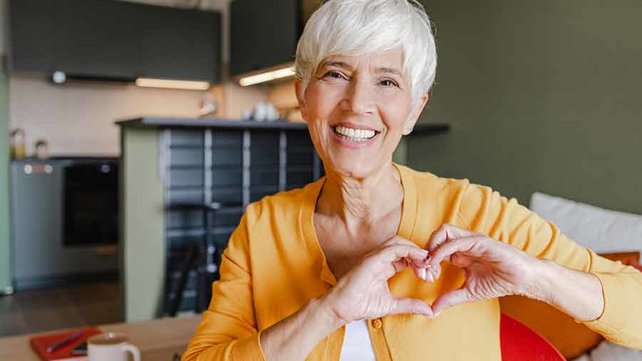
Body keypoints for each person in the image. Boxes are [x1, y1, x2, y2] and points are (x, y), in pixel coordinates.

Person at [182, 1, 642, 360]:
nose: (357, 103)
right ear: (304, 97)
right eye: (336, 74)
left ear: (413, 110)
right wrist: (329, 311)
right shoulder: (262, 228)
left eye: (387, 82)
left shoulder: (477, 212)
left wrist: (536, 276)